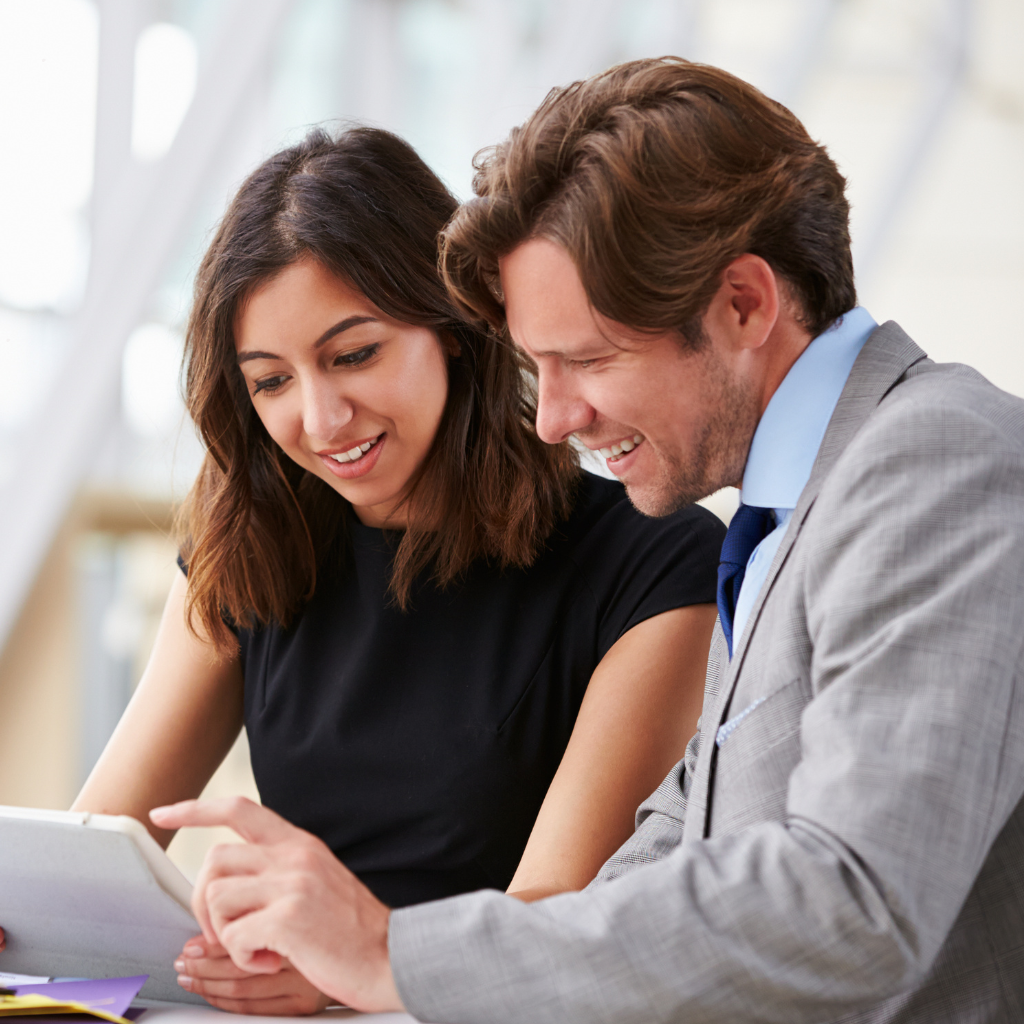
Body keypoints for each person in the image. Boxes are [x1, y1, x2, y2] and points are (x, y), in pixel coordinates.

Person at [151, 57, 1024, 1023]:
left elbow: (858, 895)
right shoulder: (785, 517)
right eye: (536, 366)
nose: (553, 418)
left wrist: (393, 954)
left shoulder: (933, 461)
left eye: (586, 359)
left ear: (744, 303)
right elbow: (663, 860)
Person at [0, 126, 726, 1014]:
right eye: (270, 381)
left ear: (454, 325)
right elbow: (95, 848)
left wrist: (362, 965)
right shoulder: (254, 545)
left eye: (353, 355)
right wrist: (25, 915)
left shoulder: (653, 567)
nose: (321, 417)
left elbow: (557, 931)